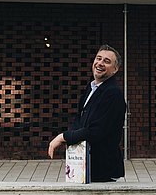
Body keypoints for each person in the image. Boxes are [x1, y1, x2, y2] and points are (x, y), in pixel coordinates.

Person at [48, 44, 126, 182]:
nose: (100, 63)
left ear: (115, 69)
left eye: (107, 61)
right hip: (84, 167)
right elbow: (79, 120)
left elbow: (96, 131)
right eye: (98, 58)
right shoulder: (91, 88)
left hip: (102, 170)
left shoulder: (113, 94)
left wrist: (63, 137)